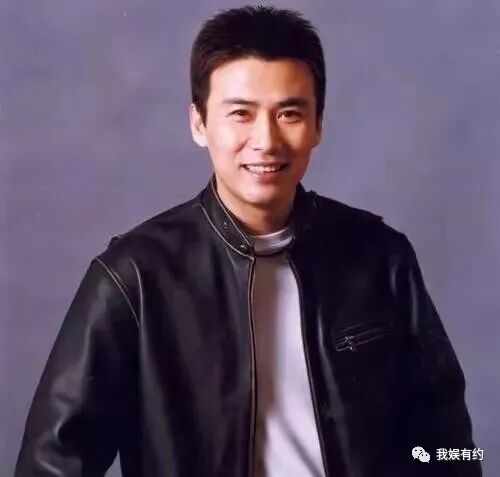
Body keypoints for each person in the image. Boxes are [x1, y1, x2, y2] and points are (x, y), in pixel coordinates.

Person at [15, 6, 480, 477]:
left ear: (318, 124)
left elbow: (451, 449)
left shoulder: (380, 257)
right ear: (199, 123)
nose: (266, 140)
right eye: (241, 113)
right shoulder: (134, 277)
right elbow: (51, 463)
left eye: (289, 113)